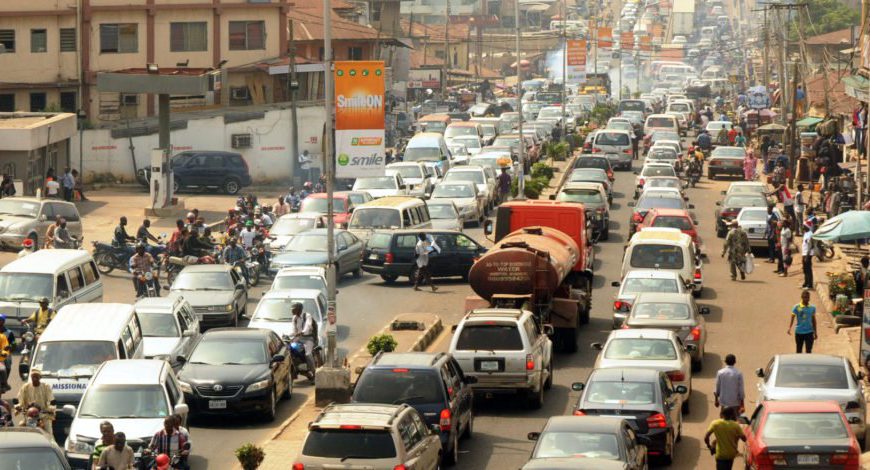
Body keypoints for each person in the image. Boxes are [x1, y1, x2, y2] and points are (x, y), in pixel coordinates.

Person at [16, 368, 54, 435]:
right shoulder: (26, 387)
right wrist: (18, 406)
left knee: (48, 432)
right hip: (29, 414)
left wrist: (51, 409)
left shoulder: (46, 387)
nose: (34, 378)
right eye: (33, 376)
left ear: (40, 377)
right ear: (31, 377)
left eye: (36, 376)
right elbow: (20, 399)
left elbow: (52, 400)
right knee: (21, 426)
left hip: (43, 415)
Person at [290, 302, 317, 380]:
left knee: (308, 354)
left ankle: (314, 372)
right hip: (299, 338)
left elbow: (308, 326)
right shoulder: (294, 318)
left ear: (299, 310)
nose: (292, 311)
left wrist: (303, 332)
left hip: (308, 338)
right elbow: (294, 330)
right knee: (290, 349)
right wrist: (288, 335)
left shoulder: (307, 316)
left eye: (293, 309)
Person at [801, 220, 815, 289]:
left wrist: (806, 256)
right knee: (805, 269)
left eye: (804, 226)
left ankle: (810, 284)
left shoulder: (810, 234)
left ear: (807, 226)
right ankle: (805, 283)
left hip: (808, 254)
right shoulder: (805, 233)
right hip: (804, 253)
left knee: (808, 269)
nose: (802, 227)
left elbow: (810, 246)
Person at [0, 314, 14, 380]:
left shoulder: (9, 332)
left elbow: (14, 343)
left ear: (3, 321)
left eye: (0, 320)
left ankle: (5, 382)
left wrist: (11, 346)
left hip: (5, 352)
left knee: (8, 367)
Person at [0, 323, 9, 393]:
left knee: (3, 369)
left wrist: (4, 353)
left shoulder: (2, 337)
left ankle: (4, 385)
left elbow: (5, 348)